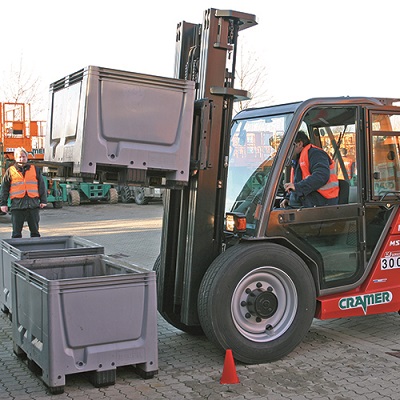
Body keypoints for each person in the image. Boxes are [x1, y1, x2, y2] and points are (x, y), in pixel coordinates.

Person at [280, 130, 339, 208]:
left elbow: (321, 176)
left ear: (299, 144)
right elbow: (297, 183)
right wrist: (289, 198)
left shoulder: (316, 154)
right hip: (308, 203)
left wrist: (298, 188)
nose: (286, 151)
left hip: (322, 205)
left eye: (288, 146)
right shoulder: (297, 161)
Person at [0, 147, 47, 238]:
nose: (22, 159)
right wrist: (3, 204)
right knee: (16, 233)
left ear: (27, 157)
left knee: (35, 232)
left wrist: (43, 200)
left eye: (24, 156)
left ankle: (35, 250)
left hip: (33, 205)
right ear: (16, 158)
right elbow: (4, 189)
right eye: (20, 157)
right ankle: (16, 251)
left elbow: (41, 186)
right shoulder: (10, 171)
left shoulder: (35, 169)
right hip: (17, 206)